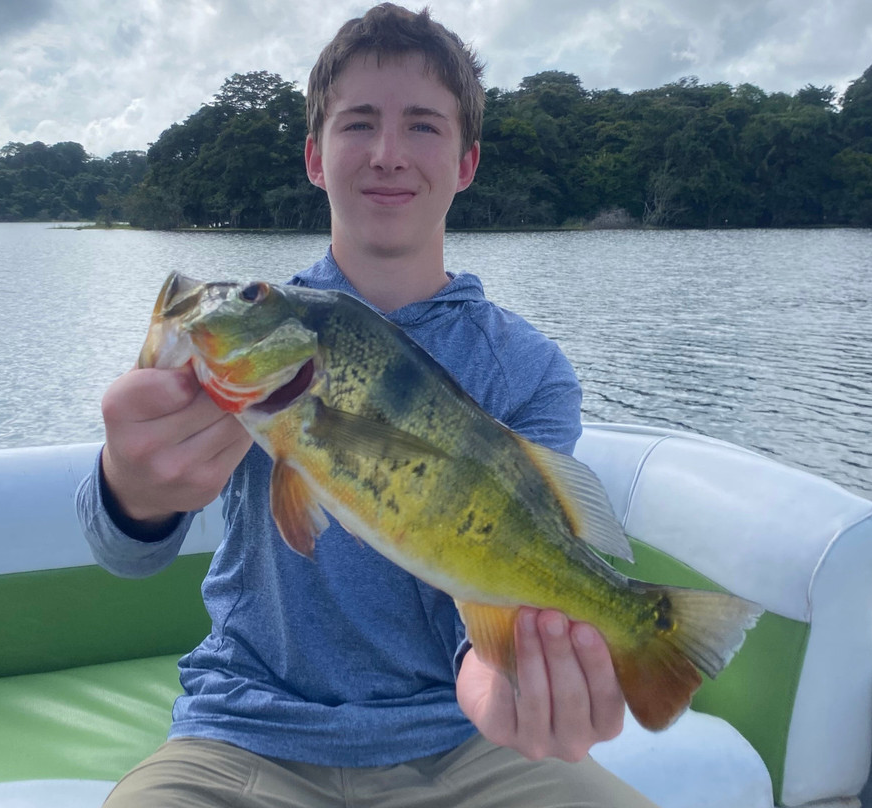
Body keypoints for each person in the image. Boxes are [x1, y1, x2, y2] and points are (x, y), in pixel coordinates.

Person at [77, 4, 657, 806]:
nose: (388, 154)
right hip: (246, 733)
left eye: (423, 126)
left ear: (466, 163)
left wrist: (494, 677)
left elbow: (489, 568)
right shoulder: (258, 333)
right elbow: (124, 551)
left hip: (466, 742)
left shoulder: (528, 370)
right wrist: (129, 493)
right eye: (359, 125)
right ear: (315, 157)